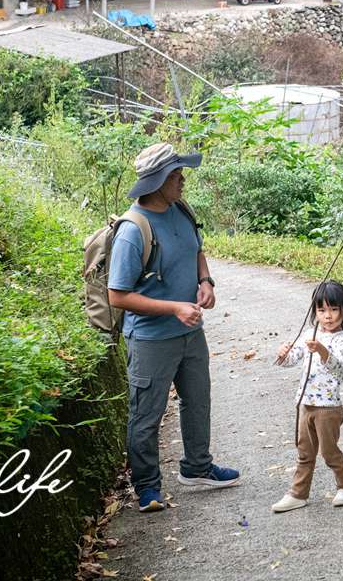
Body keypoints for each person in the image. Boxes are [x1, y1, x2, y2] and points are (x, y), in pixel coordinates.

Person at [107, 143, 240, 513]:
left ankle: (197, 467)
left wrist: (206, 281)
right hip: (151, 340)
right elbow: (117, 295)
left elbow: (197, 250)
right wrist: (174, 308)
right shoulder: (133, 230)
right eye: (176, 174)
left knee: (198, 401)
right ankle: (147, 488)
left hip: (190, 334)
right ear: (159, 180)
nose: (183, 179)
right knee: (145, 415)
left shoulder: (181, 209)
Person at [270, 280, 343, 513]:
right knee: (304, 452)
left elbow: (338, 369)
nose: (328, 316)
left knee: (329, 451)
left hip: (328, 407)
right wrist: (283, 354)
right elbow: (292, 359)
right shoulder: (311, 332)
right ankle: (298, 494)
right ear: (315, 312)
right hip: (305, 404)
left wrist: (321, 349)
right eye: (322, 310)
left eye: (333, 309)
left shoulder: (342, 340)